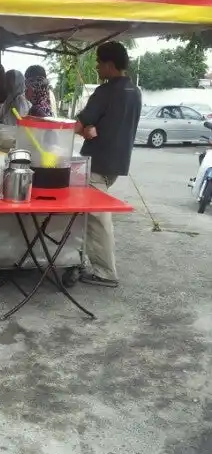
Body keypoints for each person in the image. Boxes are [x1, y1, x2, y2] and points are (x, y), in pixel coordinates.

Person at [67, 41, 141, 288]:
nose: (97, 67)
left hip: (96, 163)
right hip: (117, 164)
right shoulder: (135, 91)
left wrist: (81, 131)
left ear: (109, 65)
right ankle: (82, 258)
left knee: (98, 218)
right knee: (91, 215)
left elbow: (77, 126)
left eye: (99, 62)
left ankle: (105, 272)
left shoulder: (106, 91)